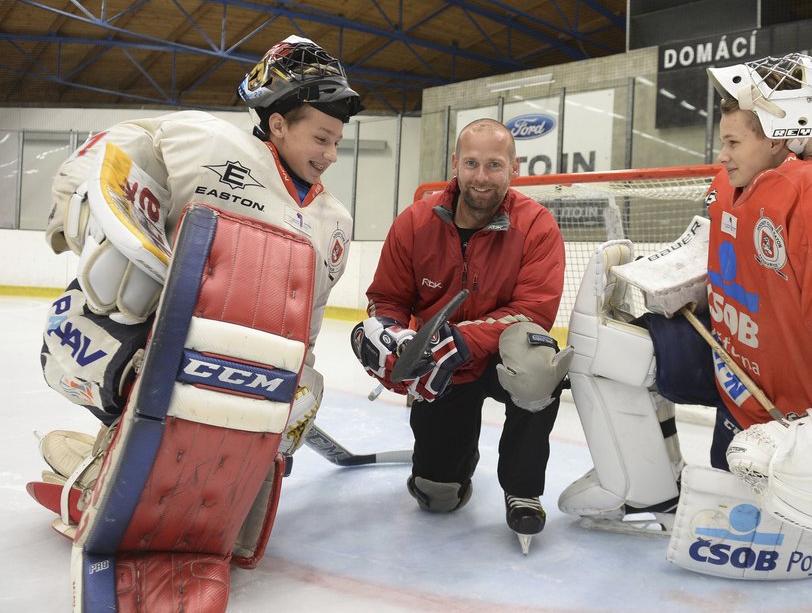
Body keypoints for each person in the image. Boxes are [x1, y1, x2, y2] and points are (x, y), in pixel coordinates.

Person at [559, 53, 812, 541]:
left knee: (758, 518)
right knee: (605, 348)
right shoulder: (728, 186)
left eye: (734, 143)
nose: (723, 155)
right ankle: (648, 490)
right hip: (735, 375)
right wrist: (689, 289)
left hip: (794, 416)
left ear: (784, 136)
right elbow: (726, 262)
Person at [34, 34, 363, 525]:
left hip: (246, 368)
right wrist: (74, 199)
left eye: (337, 142)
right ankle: (121, 453)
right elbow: (121, 150)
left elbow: (307, 320)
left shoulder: (334, 222)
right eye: (321, 138)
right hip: (164, 345)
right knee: (114, 296)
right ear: (277, 123)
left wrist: (298, 379)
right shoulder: (205, 141)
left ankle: (192, 476)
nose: (331, 154)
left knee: (304, 393)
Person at [351, 118, 572, 552]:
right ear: (455, 163)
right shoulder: (415, 222)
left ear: (514, 168)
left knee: (538, 366)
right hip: (442, 370)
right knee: (436, 498)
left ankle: (523, 487)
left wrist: (461, 340)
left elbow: (533, 312)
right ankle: (451, 471)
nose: (481, 177)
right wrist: (392, 336)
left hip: (501, 356)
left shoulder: (538, 226)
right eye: (471, 163)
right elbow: (387, 297)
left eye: (494, 165)